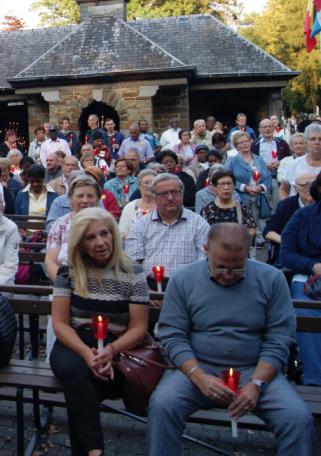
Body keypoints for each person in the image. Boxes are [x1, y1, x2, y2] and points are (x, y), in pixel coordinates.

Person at [148, 224, 316, 456]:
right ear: (206, 249)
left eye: (237, 268)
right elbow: (172, 334)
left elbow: (279, 338)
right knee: (163, 405)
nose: (227, 275)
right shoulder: (184, 278)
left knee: (297, 420)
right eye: (220, 266)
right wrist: (197, 376)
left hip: (254, 370)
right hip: (198, 367)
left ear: (248, 254)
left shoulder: (271, 279)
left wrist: (257, 384)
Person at [51, 208, 148, 456]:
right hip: (75, 343)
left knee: (81, 392)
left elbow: (138, 327)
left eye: (104, 234)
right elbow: (61, 323)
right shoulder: (68, 272)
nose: (100, 242)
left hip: (118, 346)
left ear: (114, 234)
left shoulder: (133, 273)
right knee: (73, 371)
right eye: (90, 238)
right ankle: (95, 450)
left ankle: (91, 451)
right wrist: (87, 354)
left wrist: (110, 352)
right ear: (80, 243)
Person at [124, 173, 210, 281]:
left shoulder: (199, 224)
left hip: (187, 289)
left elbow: (205, 262)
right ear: (155, 198)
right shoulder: (141, 225)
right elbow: (133, 264)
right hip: (149, 290)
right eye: (164, 194)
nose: (170, 198)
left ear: (182, 194)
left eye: (174, 192)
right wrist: (146, 291)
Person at [279, 173, 321, 386]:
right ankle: (315, 380)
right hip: (309, 281)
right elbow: (285, 254)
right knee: (306, 314)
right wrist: (313, 266)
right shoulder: (303, 217)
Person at [45, 175, 102, 280]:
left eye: (90, 196)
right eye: (80, 196)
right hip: (65, 281)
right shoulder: (60, 224)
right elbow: (50, 261)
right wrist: (63, 285)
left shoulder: (106, 223)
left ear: (97, 198)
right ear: (71, 199)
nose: (85, 200)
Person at [264, 170, 315, 267]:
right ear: (295, 188)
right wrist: (287, 241)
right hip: (289, 253)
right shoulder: (285, 205)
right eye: (304, 185)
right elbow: (268, 231)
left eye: (313, 184)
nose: (309, 188)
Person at [226, 130, 272, 229]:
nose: (245, 144)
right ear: (236, 146)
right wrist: (244, 187)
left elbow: (267, 177)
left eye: (247, 141)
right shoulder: (232, 161)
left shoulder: (258, 159)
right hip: (240, 199)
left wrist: (261, 187)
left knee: (256, 227)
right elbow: (227, 180)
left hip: (258, 199)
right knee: (244, 227)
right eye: (241, 142)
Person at [200, 169, 256, 239]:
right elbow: (203, 233)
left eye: (229, 184)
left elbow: (252, 230)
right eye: (222, 184)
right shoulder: (207, 210)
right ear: (215, 187)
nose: (226, 187)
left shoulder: (243, 207)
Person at [253, 118, 290, 204]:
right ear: (259, 129)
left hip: (278, 179)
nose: (267, 129)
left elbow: (289, 159)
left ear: (273, 128)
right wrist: (265, 166)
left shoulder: (282, 143)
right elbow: (251, 162)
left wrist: (281, 164)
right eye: (264, 127)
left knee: (279, 204)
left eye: (270, 126)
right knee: (264, 206)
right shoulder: (255, 145)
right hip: (262, 180)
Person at [281, 123, 321, 198]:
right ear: (306, 142)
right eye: (312, 139)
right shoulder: (294, 164)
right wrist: (286, 207)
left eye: (320, 139)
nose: (317, 142)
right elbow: (283, 189)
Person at [118, 169, 157, 240]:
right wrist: (129, 238)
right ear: (139, 186)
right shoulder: (130, 207)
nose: (150, 186)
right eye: (146, 183)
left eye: (153, 183)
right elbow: (121, 232)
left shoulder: (162, 206)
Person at [277, 132, 305, 200]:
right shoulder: (285, 161)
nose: (298, 146)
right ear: (291, 146)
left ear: (306, 145)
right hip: (291, 195)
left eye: (301, 143)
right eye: (295, 144)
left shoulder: (310, 160)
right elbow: (281, 177)